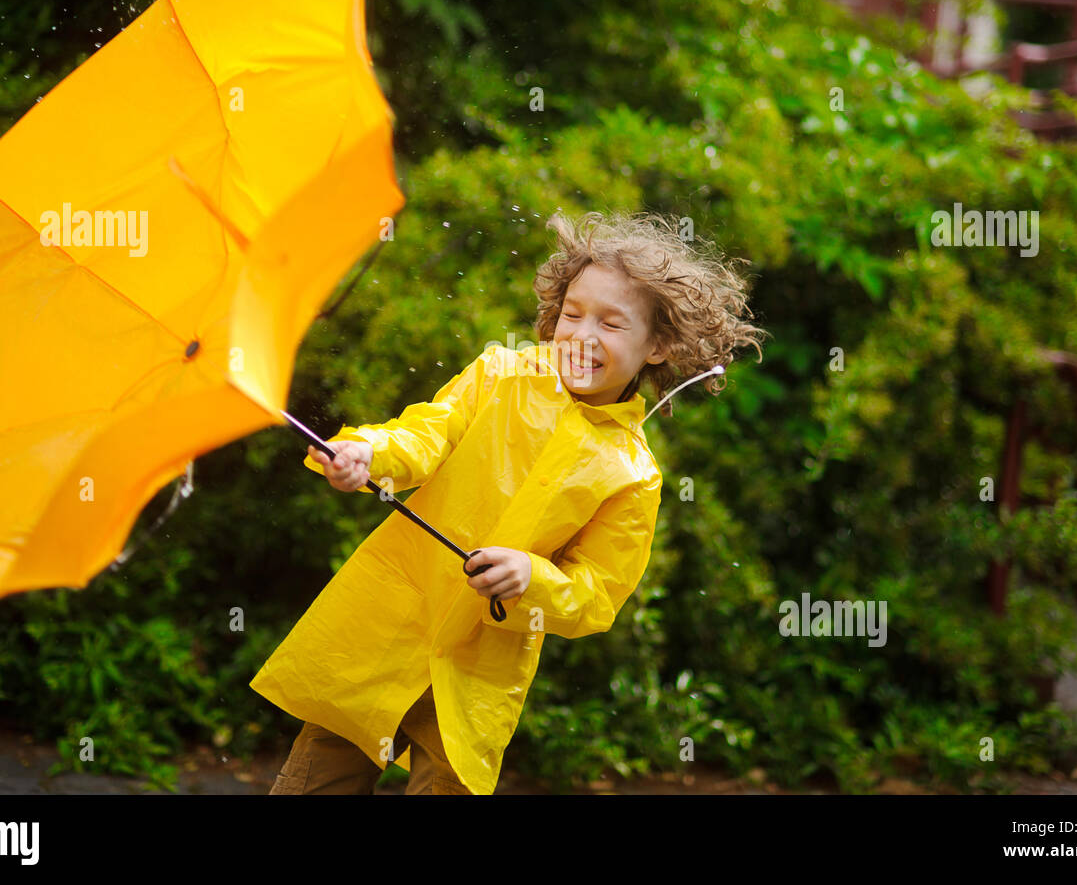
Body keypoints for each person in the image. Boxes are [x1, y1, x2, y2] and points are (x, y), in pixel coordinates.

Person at [251, 209, 767, 794]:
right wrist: (368, 451)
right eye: (572, 314)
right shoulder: (501, 374)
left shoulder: (632, 473)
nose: (582, 335)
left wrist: (532, 578)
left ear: (660, 345)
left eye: (611, 324)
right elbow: (427, 434)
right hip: (386, 629)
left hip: (477, 672)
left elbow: (596, 594)